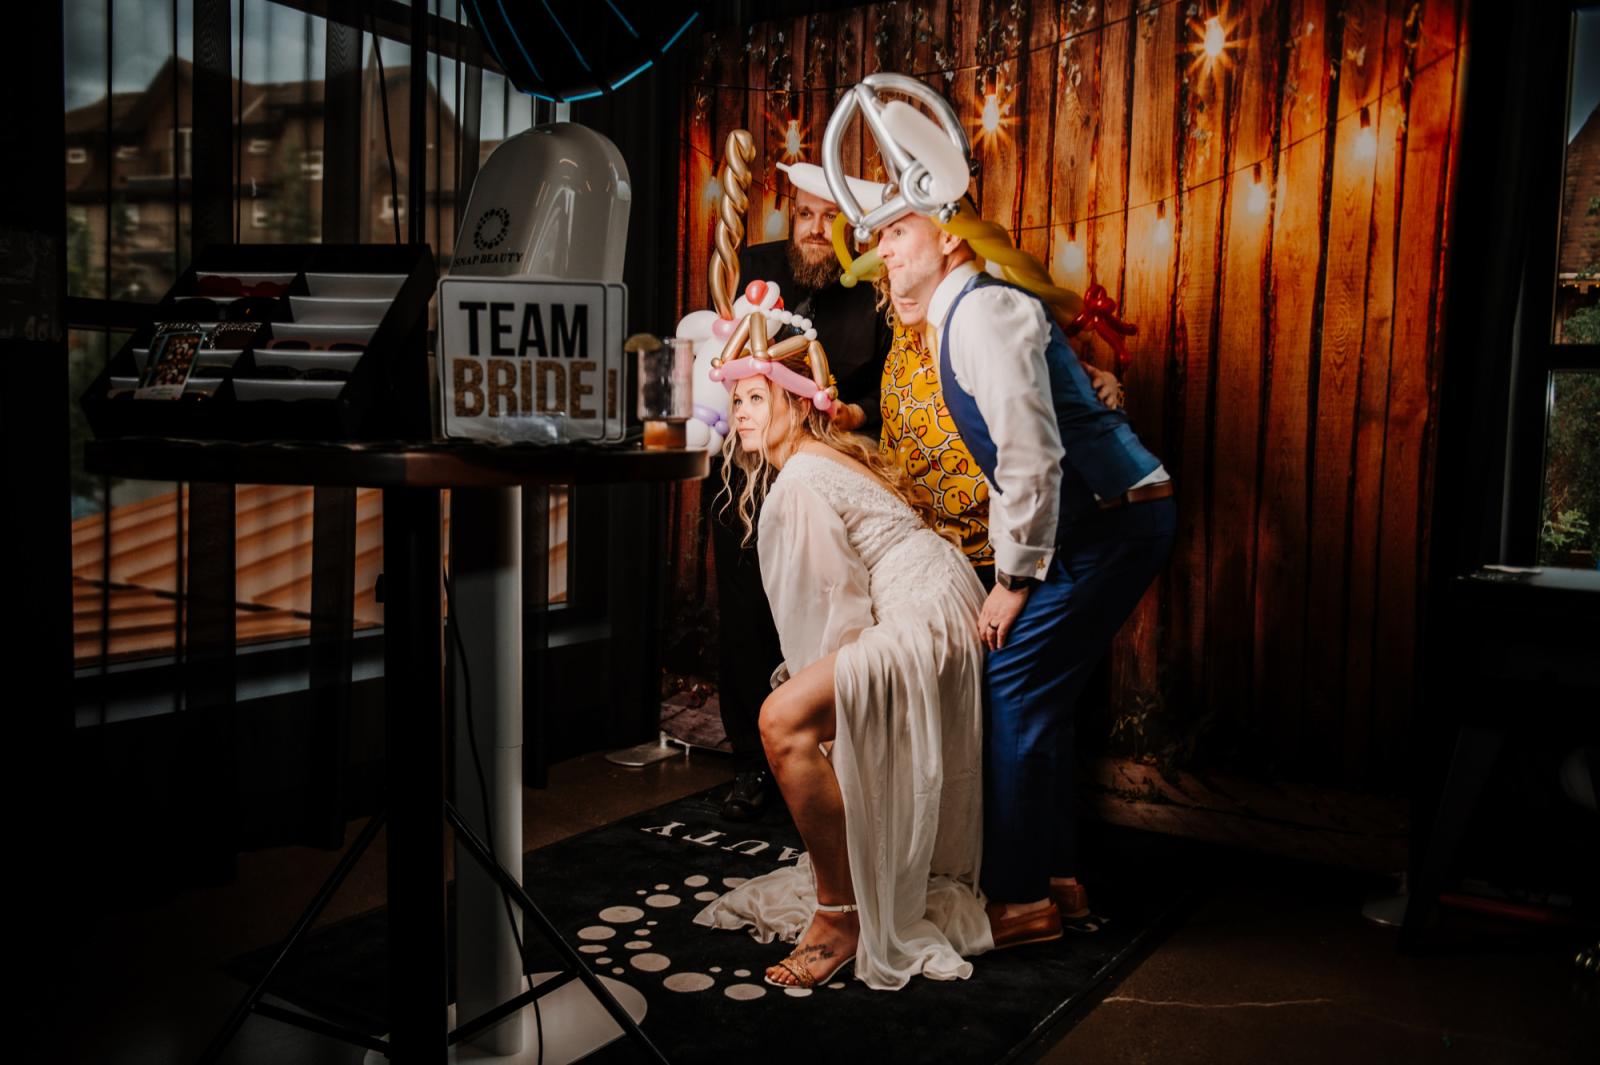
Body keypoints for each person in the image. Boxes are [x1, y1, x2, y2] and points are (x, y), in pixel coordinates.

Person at [873, 203, 1175, 950]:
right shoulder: (963, 313)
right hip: (1099, 520)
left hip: (1113, 518)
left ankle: (1020, 901)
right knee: (1038, 692)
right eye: (877, 235)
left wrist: (1011, 580)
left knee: (1010, 682)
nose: (882, 249)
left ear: (947, 236)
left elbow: (1030, 458)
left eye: (897, 231)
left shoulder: (983, 312)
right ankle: (1058, 878)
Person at [693, 349, 991, 990]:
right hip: (946, 598)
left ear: (798, 401)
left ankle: (839, 916)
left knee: (781, 722)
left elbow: (834, 616)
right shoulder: (826, 456)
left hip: (922, 617)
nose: (741, 414)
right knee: (797, 714)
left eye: (755, 398)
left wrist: (824, 714)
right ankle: (849, 890)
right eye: (735, 400)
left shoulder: (797, 483)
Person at [711, 162, 892, 823]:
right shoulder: (750, 262)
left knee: (821, 616)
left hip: (824, 476)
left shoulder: (870, 282)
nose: (816, 229)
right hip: (745, 471)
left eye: (830, 218)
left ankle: (817, 763)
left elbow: (885, 392)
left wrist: (854, 415)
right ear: (790, 213)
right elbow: (716, 348)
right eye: (806, 214)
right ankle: (749, 764)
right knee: (744, 613)